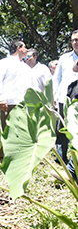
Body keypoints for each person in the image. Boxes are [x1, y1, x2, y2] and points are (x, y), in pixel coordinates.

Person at [0, 39, 32, 161]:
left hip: (21, 104)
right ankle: (4, 157)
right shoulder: (4, 63)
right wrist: (1, 98)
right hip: (8, 103)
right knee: (6, 130)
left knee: (20, 131)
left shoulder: (25, 67)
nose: (26, 50)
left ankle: (19, 156)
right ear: (18, 48)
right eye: (25, 47)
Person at [52, 30, 78, 165]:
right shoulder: (64, 58)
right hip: (65, 99)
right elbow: (57, 79)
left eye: (77, 40)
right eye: (73, 40)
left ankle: (75, 162)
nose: (75, 42)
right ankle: (61, 158)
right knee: (62, 129)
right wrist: (55, 97)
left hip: (77, 100)